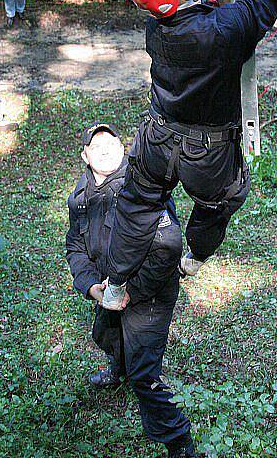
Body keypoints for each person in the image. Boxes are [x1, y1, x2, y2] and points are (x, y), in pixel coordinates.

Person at [102, 0, 277, 311]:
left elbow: (193, 28)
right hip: (205, 156)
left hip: (157, 138)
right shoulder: (222, 33)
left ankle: (116, 285)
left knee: (137, 205)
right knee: (222, 199)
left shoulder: (157, 24)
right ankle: (196, 255)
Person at [66, 123, 202, 458]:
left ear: (123, 147)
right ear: (85, 155)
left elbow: (168, 246)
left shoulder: (142, 188)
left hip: (150, 293)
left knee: (145, 374)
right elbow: (75, 248)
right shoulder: (80, 198)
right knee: (106, 335)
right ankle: (119, 368)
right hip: (109, 290)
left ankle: (179, 441)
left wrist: (129, 295)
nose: (105, 149)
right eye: (96, 146)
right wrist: (94, 288)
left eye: (111, 143)